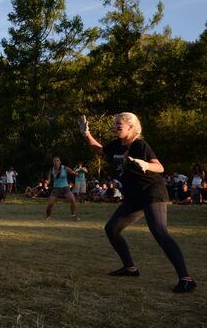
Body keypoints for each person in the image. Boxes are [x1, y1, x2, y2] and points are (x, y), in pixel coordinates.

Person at [80, 113, 196, 292]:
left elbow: (160, 167)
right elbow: (100, 151)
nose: (115, 127)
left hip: (151, 193)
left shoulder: (140, 145)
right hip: (134, 197)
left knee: (159, 231)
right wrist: (86, 134)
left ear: (131, 127)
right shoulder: (117, 145)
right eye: (114, 125)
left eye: (119, 125)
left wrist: (146, 164)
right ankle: (130, 268)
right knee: (112, 229)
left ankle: (186, 279)